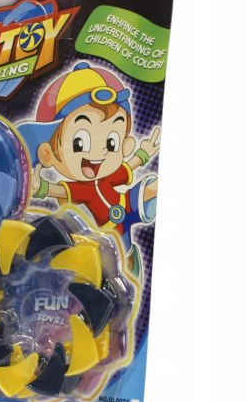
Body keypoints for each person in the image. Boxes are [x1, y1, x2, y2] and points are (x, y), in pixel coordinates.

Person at [17, 62, 160, 276]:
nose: (100, 151)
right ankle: (119, 272)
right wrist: (39, 187)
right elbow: (59, 190)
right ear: (48, 153)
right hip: (104, 233)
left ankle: (129, 269)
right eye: (79, 142)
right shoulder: (80, 189)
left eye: (112, 142)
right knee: (109, 264)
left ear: (125, 144)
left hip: (126, 208)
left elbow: (128, 166)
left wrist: (144, 154)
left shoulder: (111, 175)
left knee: (150, 191)